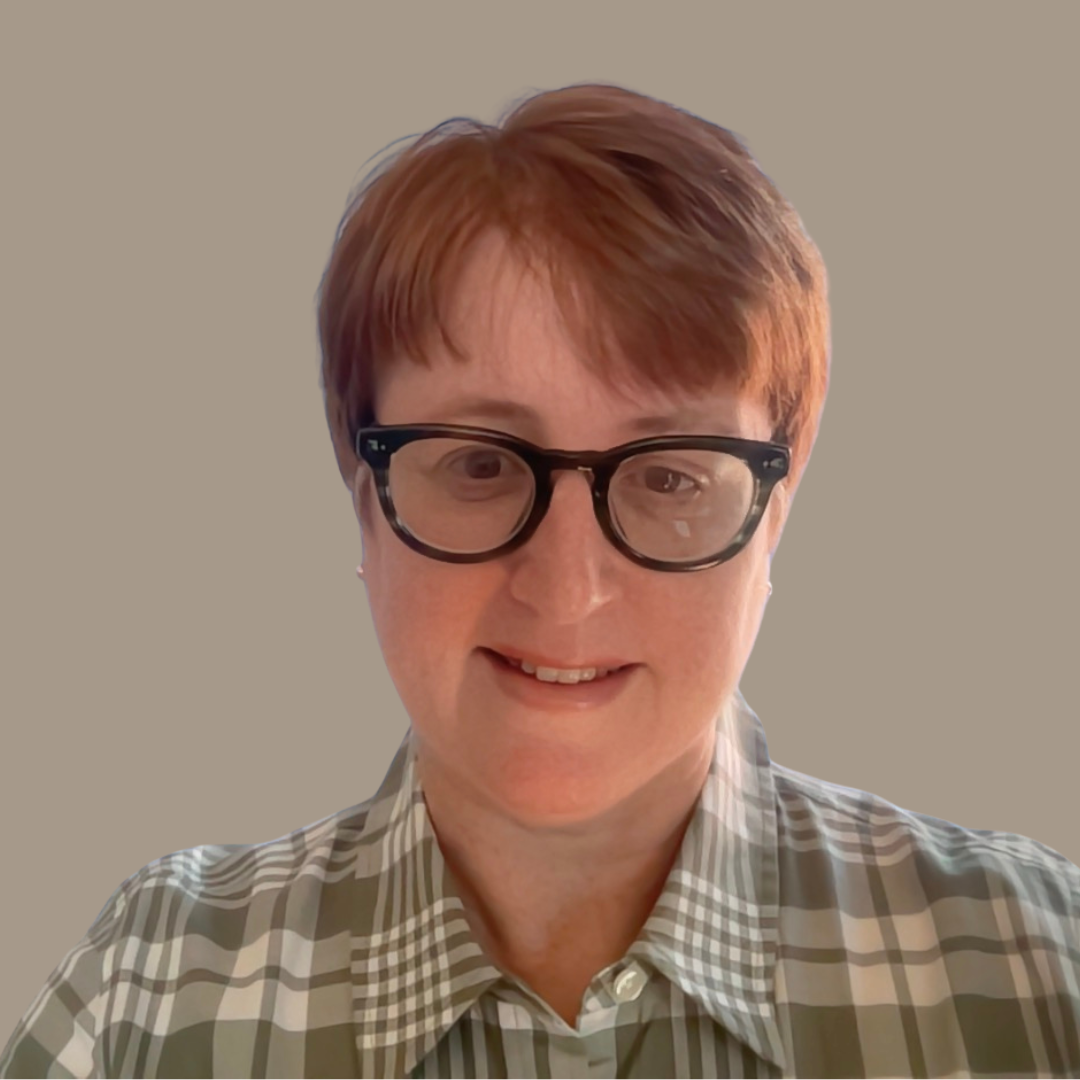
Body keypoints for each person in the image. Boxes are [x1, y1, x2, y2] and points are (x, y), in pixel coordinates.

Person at [2, 82, 1077, 1080]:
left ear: (774, 517)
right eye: (480, 465)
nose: (566, 592)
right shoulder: (146, 987)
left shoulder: (1041, 961)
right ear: (364, 498)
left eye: (668, 476)